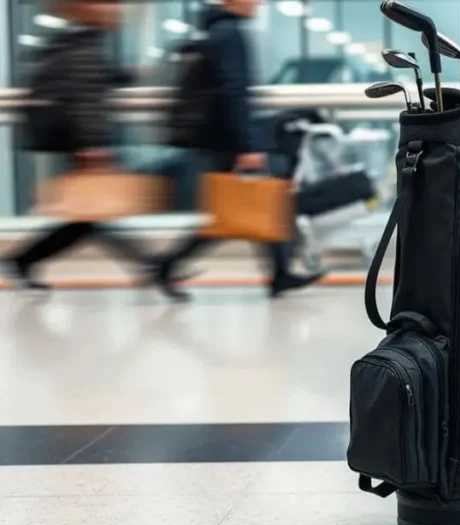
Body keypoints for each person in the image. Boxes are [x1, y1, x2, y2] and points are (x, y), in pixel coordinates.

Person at [154, 0, 322, 301]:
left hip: (219, 136)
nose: (257, 3)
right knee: (240, 210)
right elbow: (235, 90)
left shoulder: (215, 29)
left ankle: (279, 273)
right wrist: (248, 145)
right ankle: (167, 264)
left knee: (256, 205)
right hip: (228, 139)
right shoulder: (230, 33)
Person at [1, 0, 155, 291]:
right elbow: (85, 99)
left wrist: (128, 75)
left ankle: (22, 260)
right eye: (108, 4)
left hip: (77, 141)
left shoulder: (80, 42)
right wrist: (92, 145)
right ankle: (150, 265)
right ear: (92, 9)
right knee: (89, 217)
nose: (116, 10)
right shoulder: (85, 46)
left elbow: (94, 83)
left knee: (88, 218)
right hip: (83, 144)